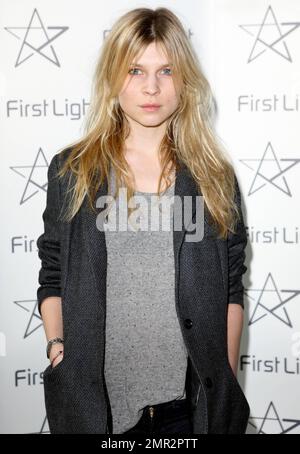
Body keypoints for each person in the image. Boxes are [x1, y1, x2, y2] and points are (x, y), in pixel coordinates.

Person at [37, 7, 250, 434]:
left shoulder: (214, 176)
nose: (151, 87)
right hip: (96, 411)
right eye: (135, 69)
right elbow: (53, 272)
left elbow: (230, 287)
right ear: (114, 77)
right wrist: (59, 349)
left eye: (166, 70)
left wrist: (222, 378)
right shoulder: (73, 171)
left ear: (184, 79)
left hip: (190, 413)